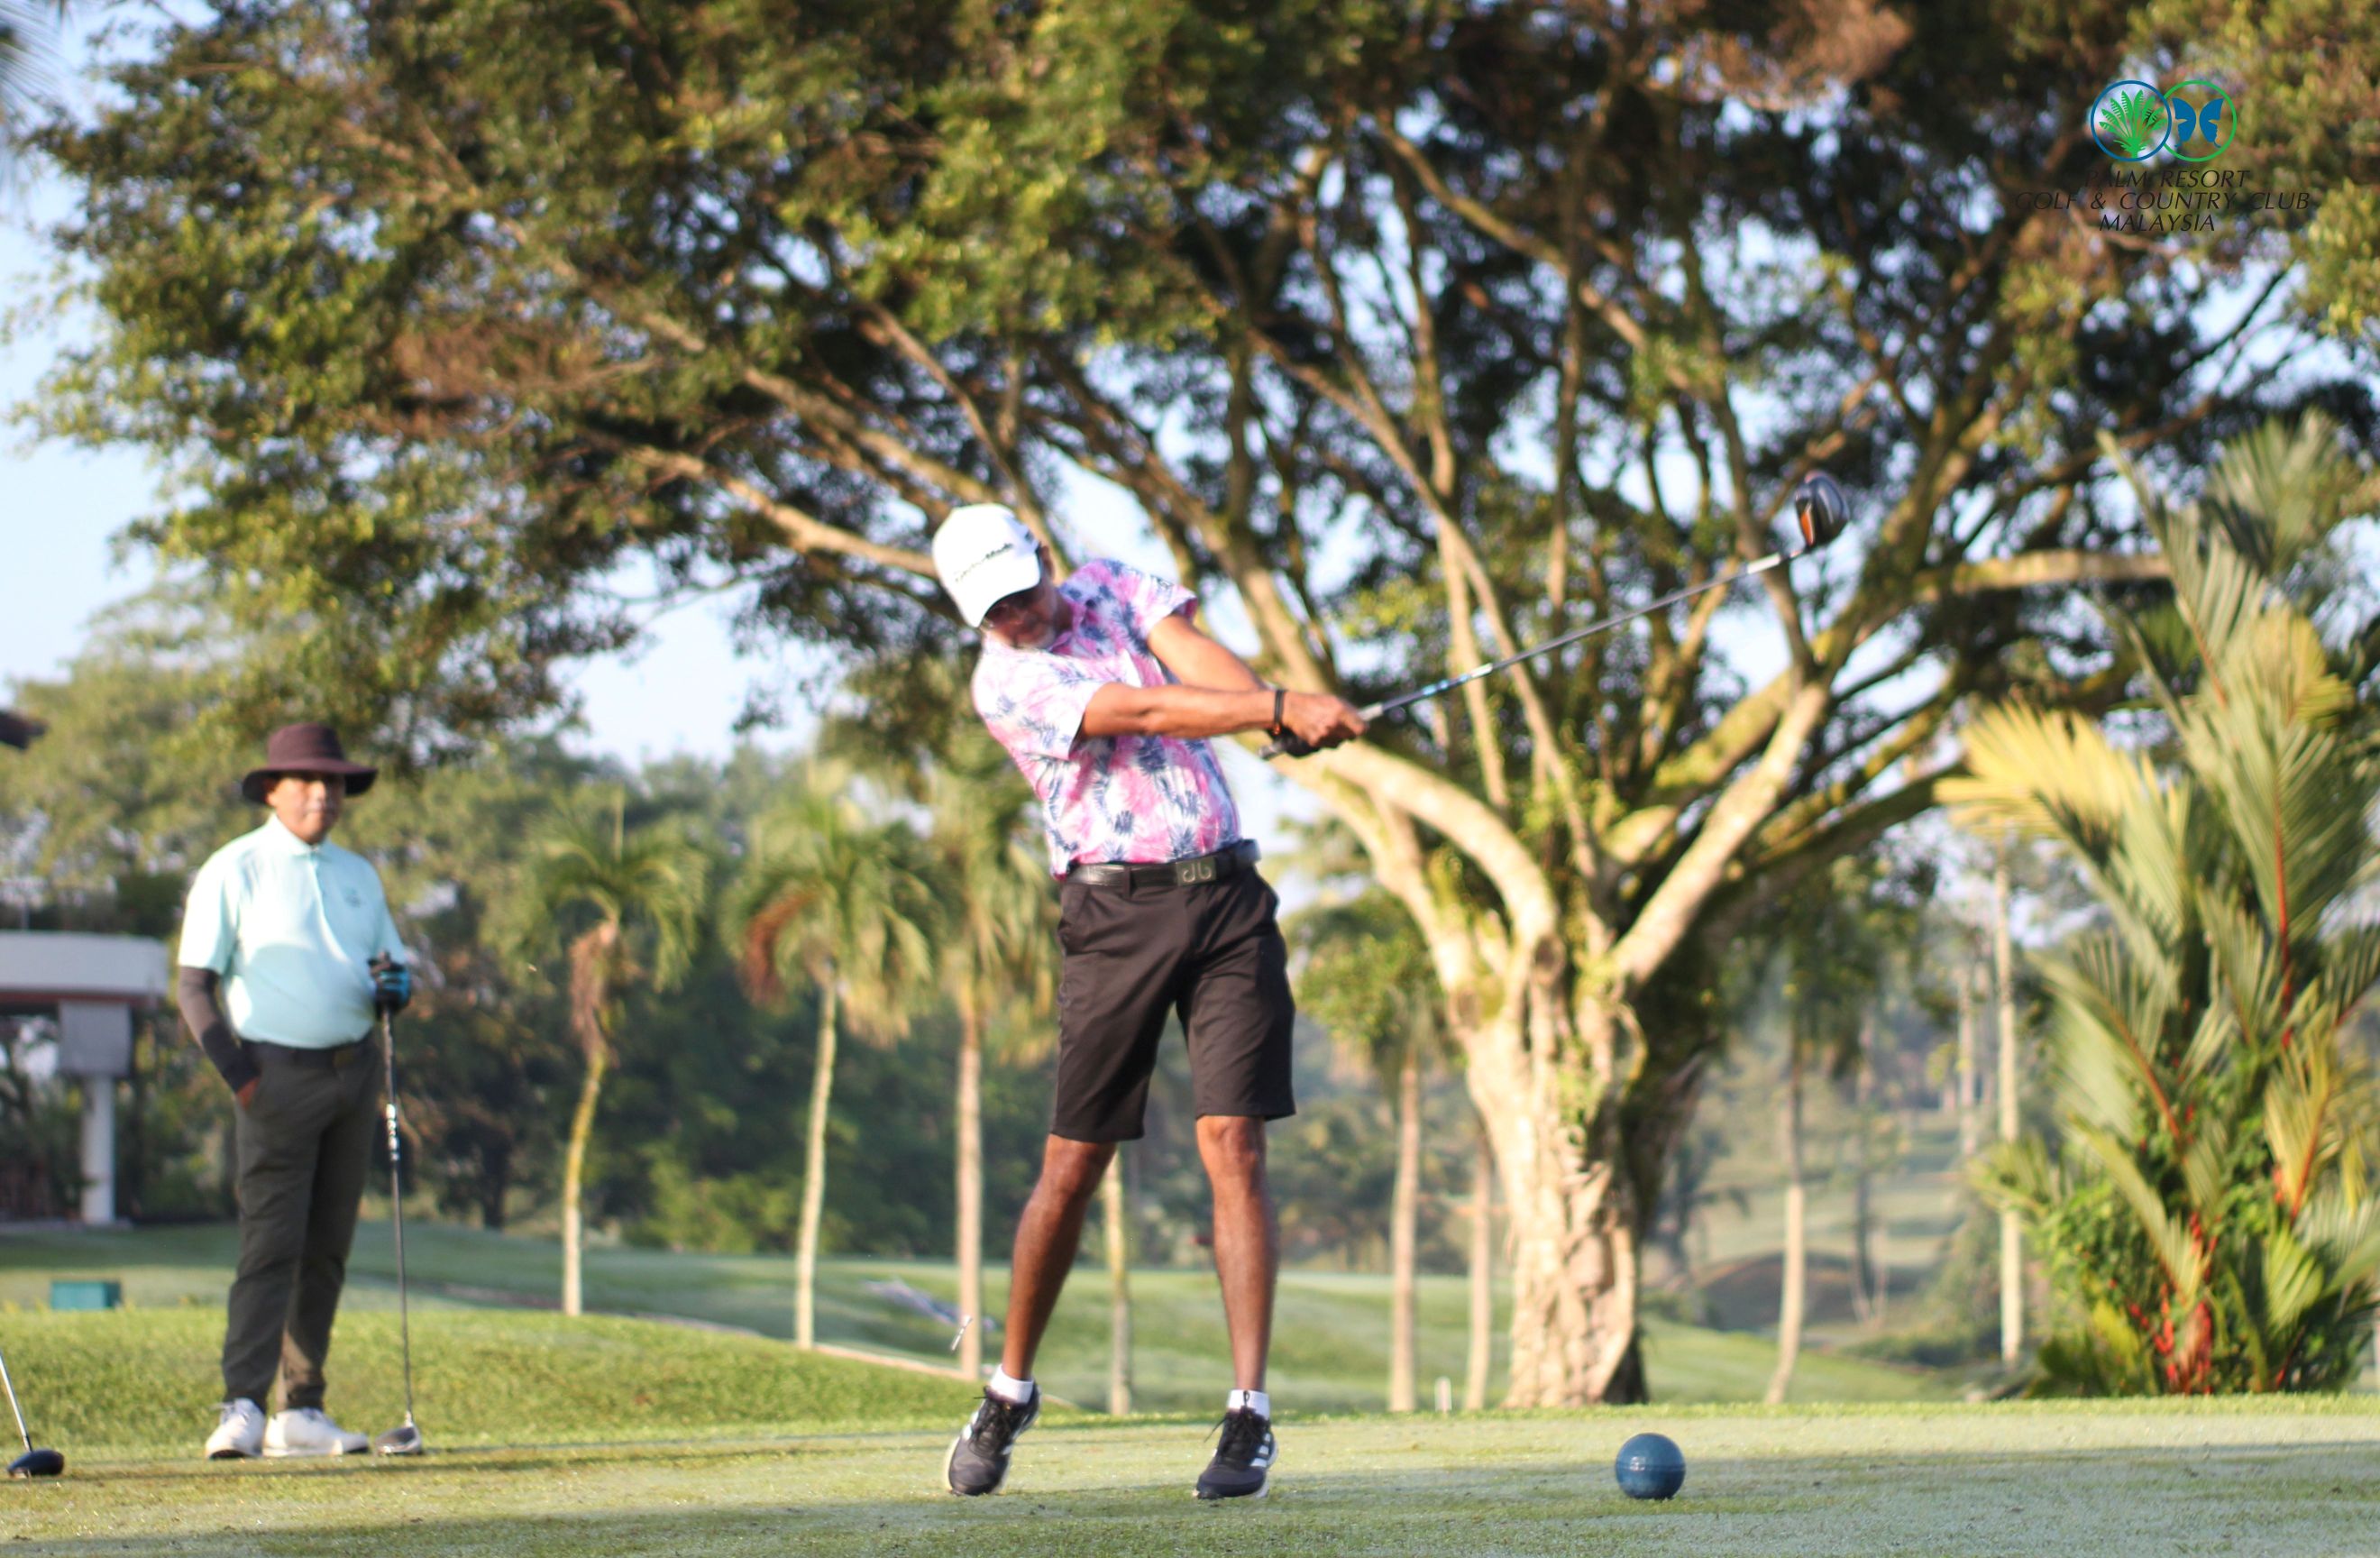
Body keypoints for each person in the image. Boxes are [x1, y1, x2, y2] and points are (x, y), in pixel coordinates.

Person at [930, 504, 1365, 1501]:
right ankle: (1010, 1388)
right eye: (993, 611)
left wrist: (1272, 710)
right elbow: (1151, 712)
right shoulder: (1007, 681)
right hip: (1114, 917)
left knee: (1235, 1143)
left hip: (1228, 901)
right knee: (1073, 1163)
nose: (1015, 617)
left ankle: (1248, 1413)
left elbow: (1197, 662)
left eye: (1021, 593)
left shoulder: (1112, 586)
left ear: (1044, 559)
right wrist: (1278, 707)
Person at [179, 723, 413, 1460]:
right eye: (307, 780)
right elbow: (193, 986)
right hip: (274, 1076)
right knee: (270, 1246)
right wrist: (241, 1078)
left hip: (354, 1072)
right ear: (273, 791)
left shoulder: (358, 874)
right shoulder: (236, 867)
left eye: (334, 781)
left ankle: (301, 1409)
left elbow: (391, 969)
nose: (323, 793)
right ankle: (244, 1405)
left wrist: (396, 989)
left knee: (327, 1247)